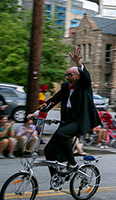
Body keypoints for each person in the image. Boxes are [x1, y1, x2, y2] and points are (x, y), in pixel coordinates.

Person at [30, 47, 101, 175]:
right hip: (67, 120)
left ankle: (72, 163)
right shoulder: (65, 87)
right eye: (66, 75)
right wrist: (36, 113)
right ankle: (56, 175)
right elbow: (53, 100)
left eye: (70, 75)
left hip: (79, 121)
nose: (67, 77)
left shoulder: (83, 85)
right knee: (49, 150)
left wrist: (78, 63)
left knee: (62, 135)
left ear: (78, 76)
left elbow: (86, 77)